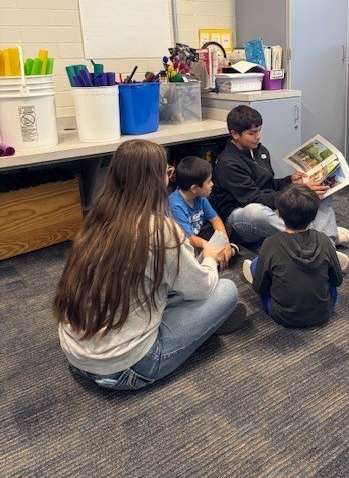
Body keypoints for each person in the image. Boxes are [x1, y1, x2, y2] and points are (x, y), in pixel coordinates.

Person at [53, 139, 245, 391]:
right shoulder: (159, 230)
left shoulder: (97, 217)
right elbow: (201, 288)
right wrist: (209, 255)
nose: (169, 178)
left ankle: (203, 324)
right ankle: (207, 327)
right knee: (225, 289)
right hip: (128, 365)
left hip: (76, 354)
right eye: (167, 172)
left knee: (168, 284)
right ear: (157, 179)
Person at [211, 105, 349, 271]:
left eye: (259, 130)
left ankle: (327, 246)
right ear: (235, 134)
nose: (258, 136)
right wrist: (294, 193)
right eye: (252, 133)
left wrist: (291, 181)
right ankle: (315, 236)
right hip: (238, 218)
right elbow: (252, 198)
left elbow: (269, 185)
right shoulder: (228, 163)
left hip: (269, 207)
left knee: (322, 192)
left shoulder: (260, 151)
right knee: (257, 211)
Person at [243, 184, 343, 328]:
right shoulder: (324, 239)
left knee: (257, 264)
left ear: (279, 214)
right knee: (327, 282)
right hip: (324, 312)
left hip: (284, 316)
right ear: (314, 215)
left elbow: (260, 288)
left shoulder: (270, 243)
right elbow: (337, 281)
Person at [169, 156, 239, 270]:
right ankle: (220, 257)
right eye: (209, 181)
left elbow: (215, 219)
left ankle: (222, 254)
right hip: (185, 242)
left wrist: (224, 242)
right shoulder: (175, 205)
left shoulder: (200, 197)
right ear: (194, 188)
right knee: (189, 253)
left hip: (198, 235)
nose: (212, 184)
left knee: (226, 229)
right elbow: (189, 238)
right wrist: (208, 248)